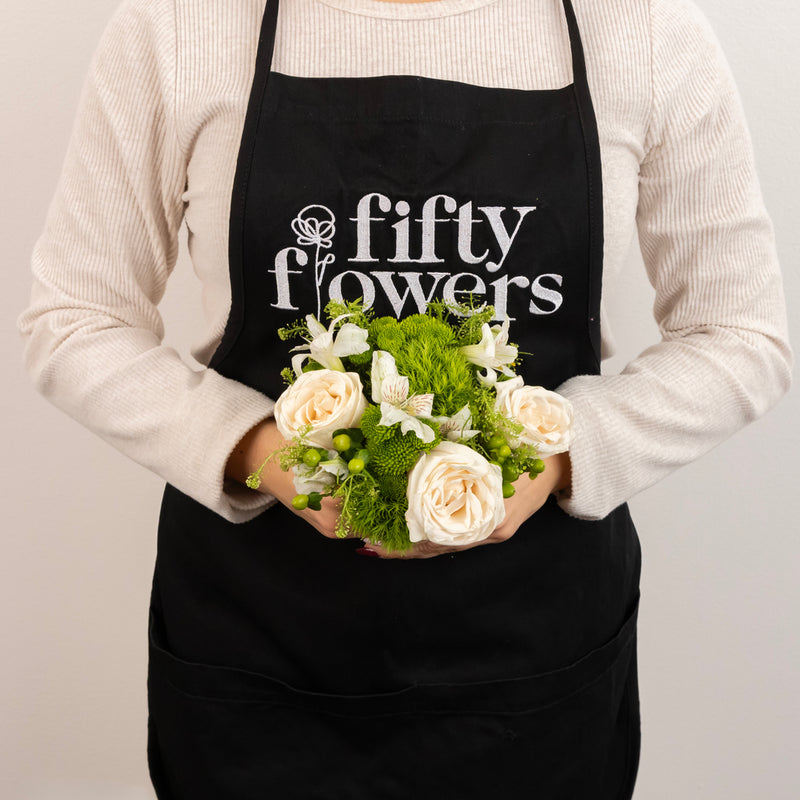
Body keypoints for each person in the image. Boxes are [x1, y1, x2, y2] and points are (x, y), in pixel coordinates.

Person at [17, 0, 791, 797]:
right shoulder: (179, 26)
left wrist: (557, 455)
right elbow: (78, 319)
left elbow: (738, 335)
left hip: (534, 661)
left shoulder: (645, 32)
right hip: (257, 648)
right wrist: (265, 453)